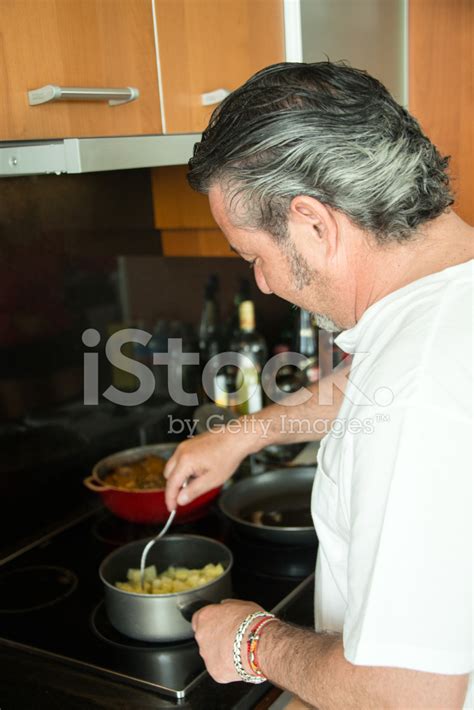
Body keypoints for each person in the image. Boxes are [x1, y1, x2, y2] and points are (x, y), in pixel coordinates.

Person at [164, 62, 473, 709]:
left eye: (254, 256)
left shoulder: (421, 384)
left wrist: (252, 639)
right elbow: (369, 388)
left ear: (313, 223)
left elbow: (405, 698)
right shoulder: (444, 306)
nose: (265, 282)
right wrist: (242, 436)